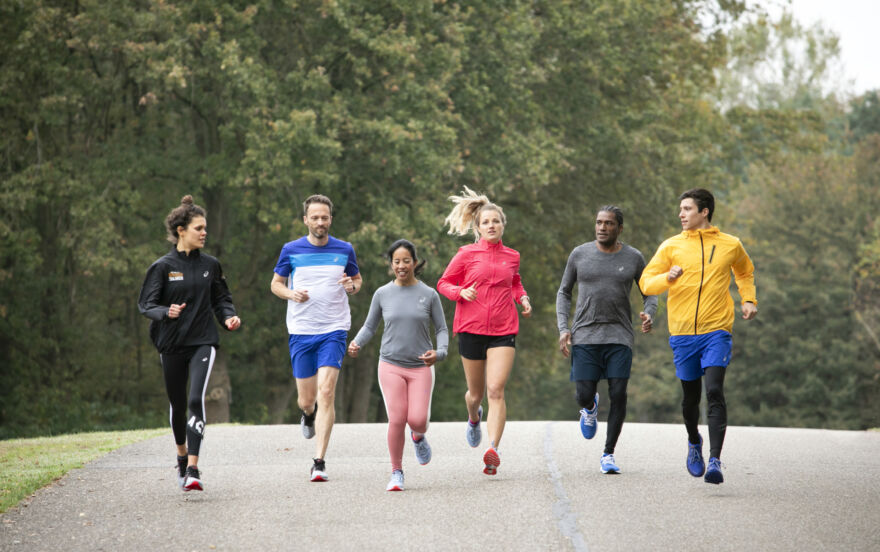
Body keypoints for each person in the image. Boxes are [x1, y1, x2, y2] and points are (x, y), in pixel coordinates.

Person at [639, 188, 757, 484]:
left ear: (704, 212)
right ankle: (694, 441)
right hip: (682, 333)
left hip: (717, 329)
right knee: (690, 398)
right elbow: (646, 283)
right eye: (681, 209)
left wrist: (748, 299)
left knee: (714, 390)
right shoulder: (671, 246)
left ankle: (715, 460)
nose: (681, 214)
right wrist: (667, 278)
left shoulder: (730, 244)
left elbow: (744, 272)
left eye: (687, 209)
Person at [138, 195, 241, 492]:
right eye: (199, 228)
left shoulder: (211, 265)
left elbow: (221, 299)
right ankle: (182, 456)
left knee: (196, 399)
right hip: (170, 343)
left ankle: (194, 468)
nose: (204, 233)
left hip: (202, 342)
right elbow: (146, 305)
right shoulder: (162, 267)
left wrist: (229, 317)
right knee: (178, 403)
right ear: (181, 230)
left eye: (205, 228)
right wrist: (165, 312)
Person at [437, 187, 532, 476]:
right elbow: (443, 283)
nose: (491, 226)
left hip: (504, 328)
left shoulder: (512, 256)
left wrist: (523, 297)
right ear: (478, 228)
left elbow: (514, 282)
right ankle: (473, 416)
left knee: (496, 390)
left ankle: (493, 450)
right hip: (471, 328)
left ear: (503, 225)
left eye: (496, 221)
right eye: (486, 222)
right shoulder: (466, 254)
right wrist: (460, 292)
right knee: (476, 394)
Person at [556, 206, 658, 474]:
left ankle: (608, 454)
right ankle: (589, 408)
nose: (602, 227)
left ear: (619, 228)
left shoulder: (634, 257)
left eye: (609, 223)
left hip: (619, 335)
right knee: (583, 395)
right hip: (585, 333)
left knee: (619, 393)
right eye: (599, 222)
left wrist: (649, 313)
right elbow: (564, 292)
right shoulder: (580, 254)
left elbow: (650, 292)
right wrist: (563, 328)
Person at [270, 194, 361, 482]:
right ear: (306, 220)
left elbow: (357, 281)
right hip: (301, 331)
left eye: (325, 217)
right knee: (306, 399)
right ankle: (308, 415)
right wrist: (290, 293)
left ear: (330, 219)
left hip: (334, 329)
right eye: (315, 217)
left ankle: (319, 461)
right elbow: (276, 284)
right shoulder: (291, 249)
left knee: (327, 392)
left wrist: (351, 286)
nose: (320, 222)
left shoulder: (345, 249)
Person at [348, 239, 449, 491]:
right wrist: (357, 342)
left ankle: (418, 435)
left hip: (420, 366)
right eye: (396, 261)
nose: (401, 266)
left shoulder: (429, 294)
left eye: (406, 261)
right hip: (390, 364)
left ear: (414, 263)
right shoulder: (382, 294)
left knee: (417, 420)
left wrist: (440, 352)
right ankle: (396, 472)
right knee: (397, 418)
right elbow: (370, 326)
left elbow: (441, 329)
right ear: (391, 264)